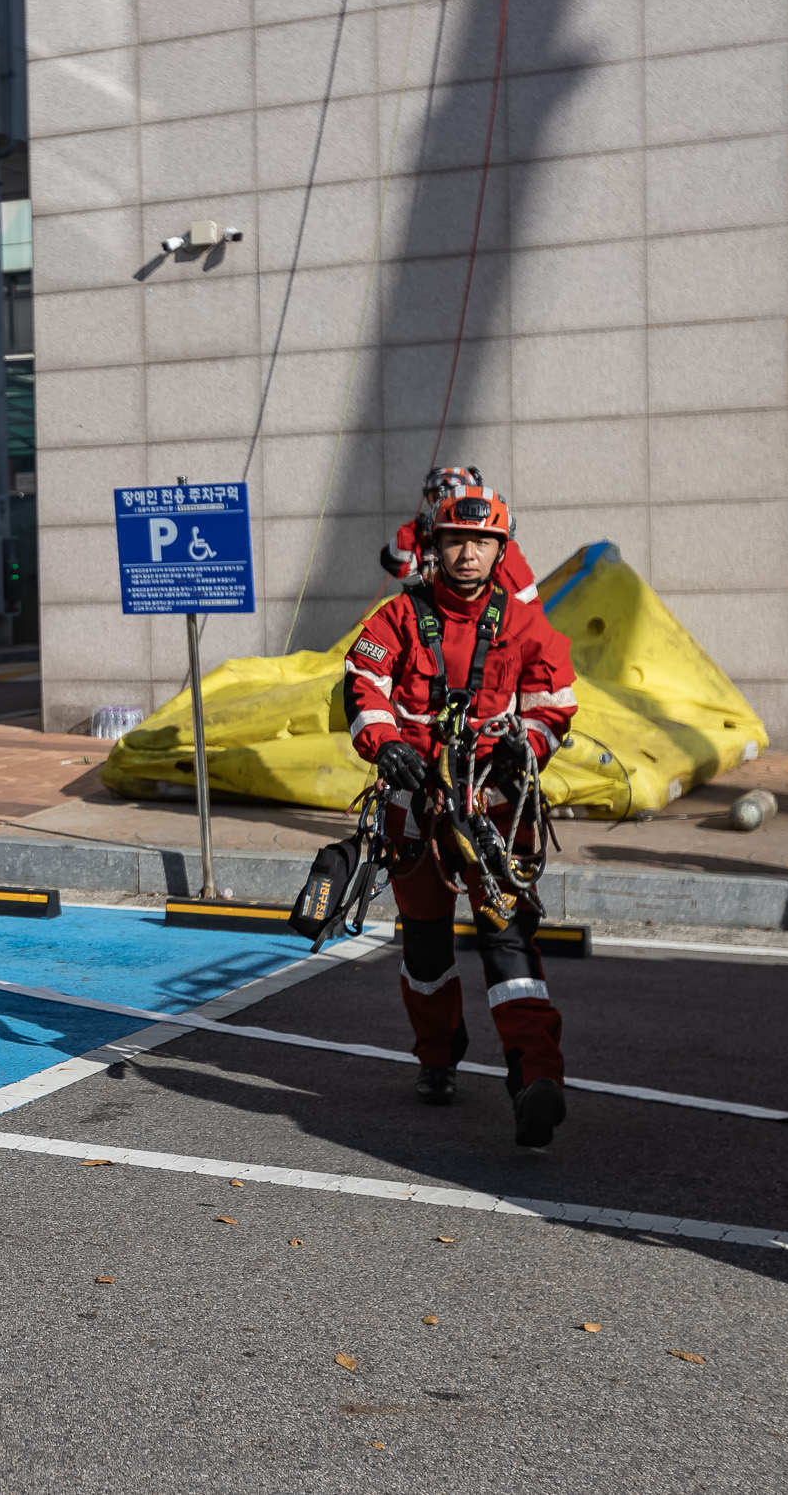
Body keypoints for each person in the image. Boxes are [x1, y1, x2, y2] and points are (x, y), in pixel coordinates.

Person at [342, 486, 578, 1148]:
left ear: (501, 549)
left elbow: (556, 701)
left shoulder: (527, 625)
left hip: (495, 815)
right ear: (434, 546)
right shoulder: (398, 617)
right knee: (425, 948)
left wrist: (523, 745)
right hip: (416, 814)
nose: (468, 553)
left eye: (481, 542)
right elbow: (361, 684)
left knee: (509, 943)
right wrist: (386, 745)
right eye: (455, 540)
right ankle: (437, 1057)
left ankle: (536, 1080)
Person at [380, 466, 537, 602]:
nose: (442, 504)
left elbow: (525, 605)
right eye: (436, 497)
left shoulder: (497, 544)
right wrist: (415, 529)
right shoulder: (428, 538)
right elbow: (396, 565)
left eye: (451, 495)